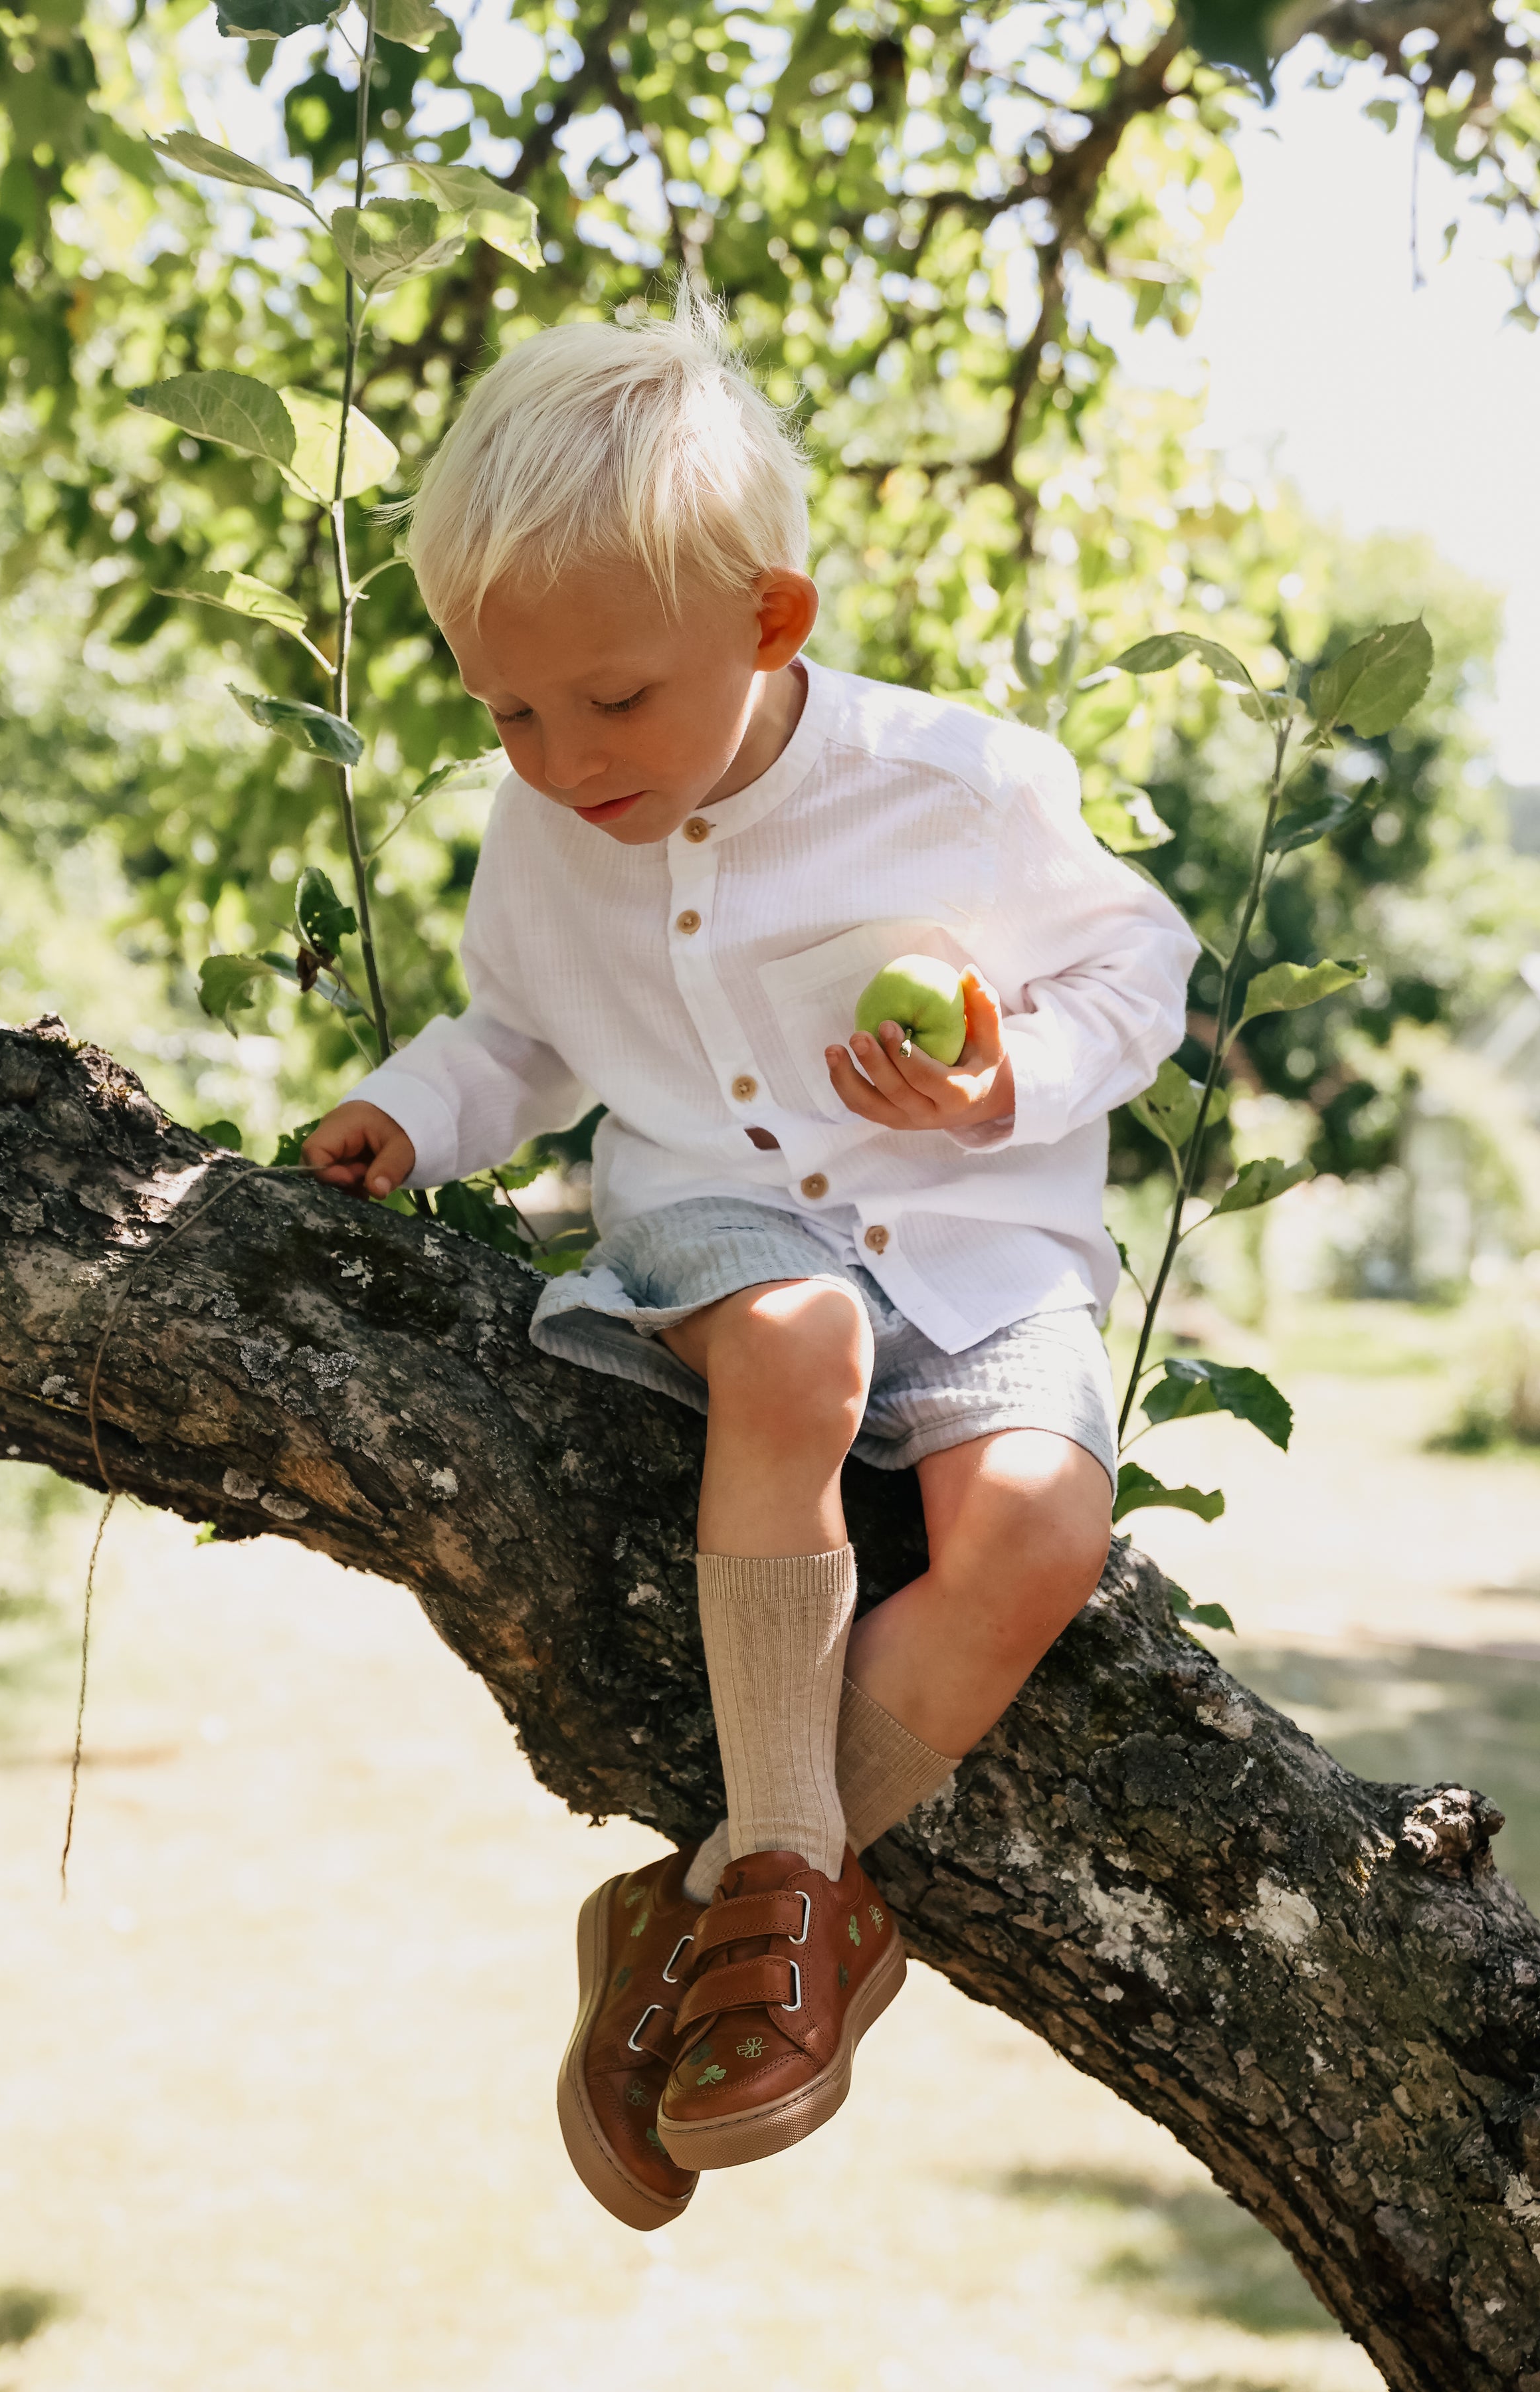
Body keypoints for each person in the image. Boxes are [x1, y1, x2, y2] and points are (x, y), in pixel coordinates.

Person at [302, 287, 1197, 2233]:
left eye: (613, 700)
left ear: (772, 623)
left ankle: (707, 1903)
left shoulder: (958, 784)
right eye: (509, 713)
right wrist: (410, 1111)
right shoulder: (550, 836)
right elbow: (518, 1041)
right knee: (797, 1345)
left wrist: (1007, 1080)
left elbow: (1144, 964)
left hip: (982, 1245)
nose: (560, 758)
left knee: (1040, 1531)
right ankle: (803, 1883)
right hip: (726, 1217)